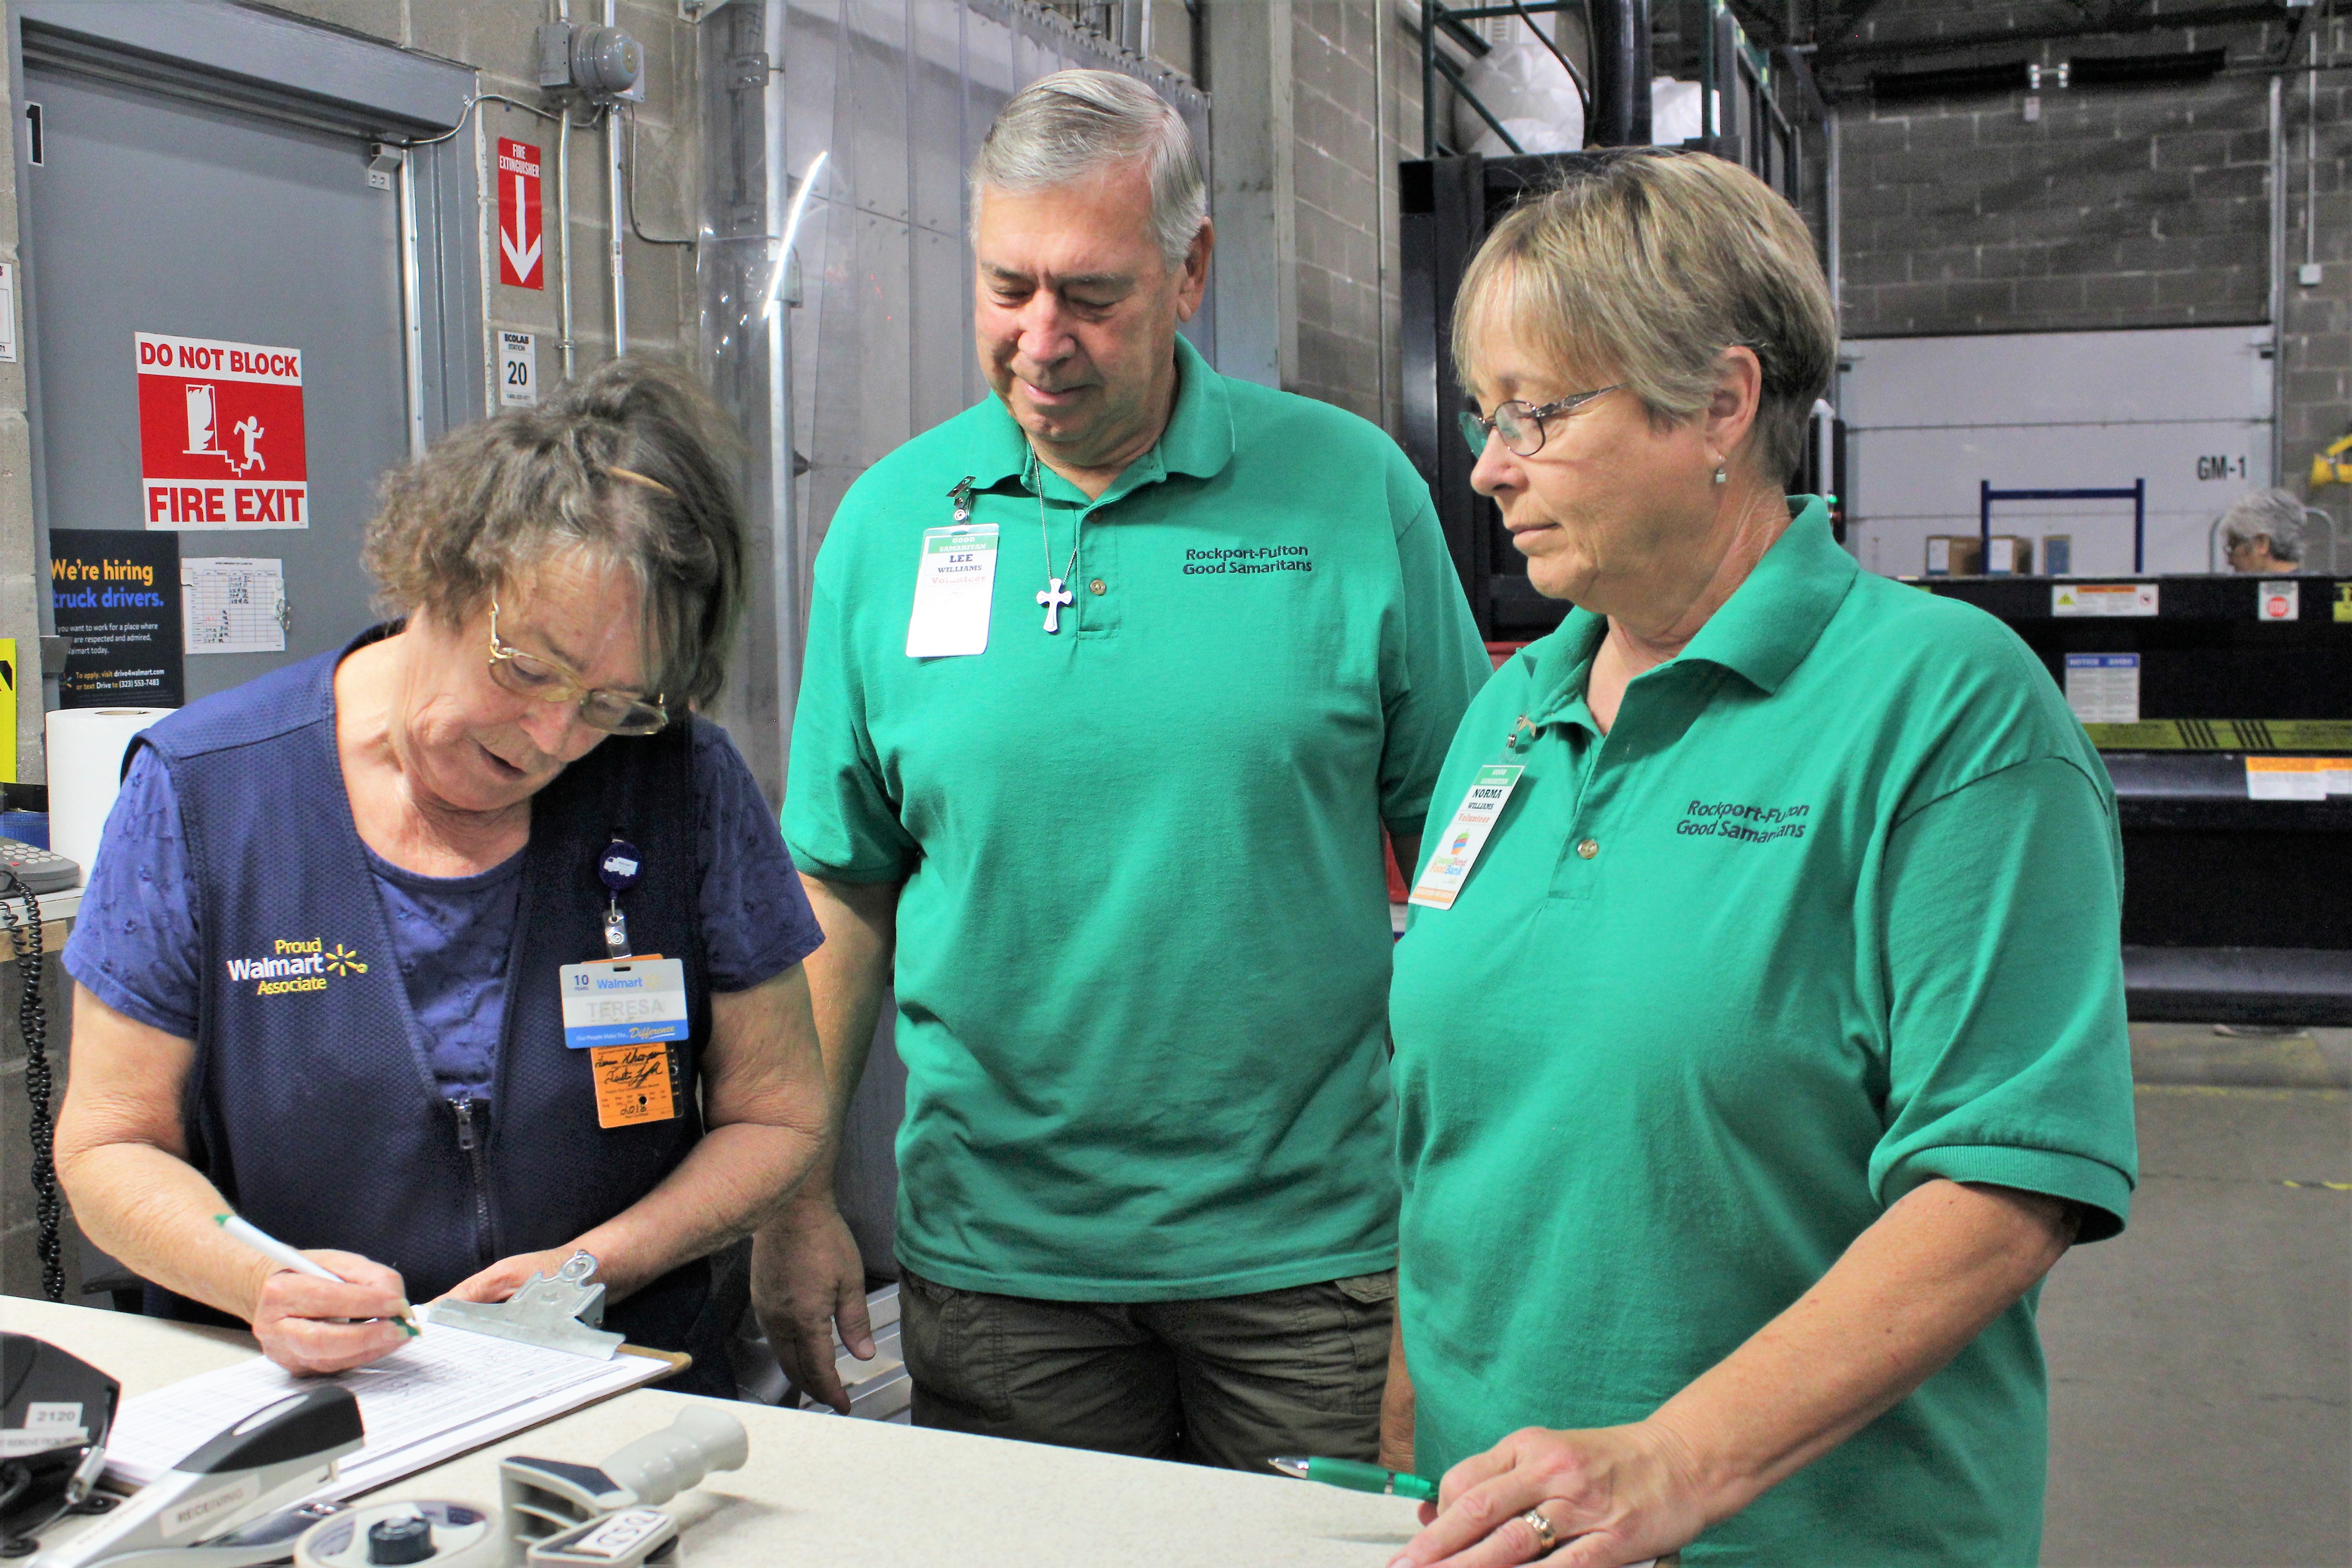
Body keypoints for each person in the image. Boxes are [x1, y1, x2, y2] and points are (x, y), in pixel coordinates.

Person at [1382, 151, 2138, 1566]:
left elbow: (2002, 1191)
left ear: (1721, 403)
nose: (1489, 467)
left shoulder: (1946, 713)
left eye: (1537, 413)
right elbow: (1463, 1144)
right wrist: (1407, 1428)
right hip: (1497, 1533)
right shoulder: (1512, 709)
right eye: (1489, 417)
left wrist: (1673, 1465)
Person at [757, 69, 1490, 1465]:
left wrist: (1467, 1213)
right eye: (1007, 287)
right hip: (1001, 1267)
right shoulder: (892, 523)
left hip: (1311, 1262)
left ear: (1193, 268)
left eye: (1091, 293)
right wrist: (796, 1199)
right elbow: (841, 889)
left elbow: (1474, 870)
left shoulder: (1348, 495)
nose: (1043, 339)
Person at [55, 359, 830, 1396]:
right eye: (527, 668)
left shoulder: (681, 785)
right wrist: (261, 1278)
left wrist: (598, 1265)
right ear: (432, 575)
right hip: (293, 1397)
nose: (556, 737)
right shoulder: (207, 790)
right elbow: (109, 1142)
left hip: (620, 1380)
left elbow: (775, 1114)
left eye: (612, 702)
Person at [2219, 487, 2310, 573]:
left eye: (2233, 547)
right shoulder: (2317, 588)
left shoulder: (2244, 589)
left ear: (2262, 543)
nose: (2229, 561)